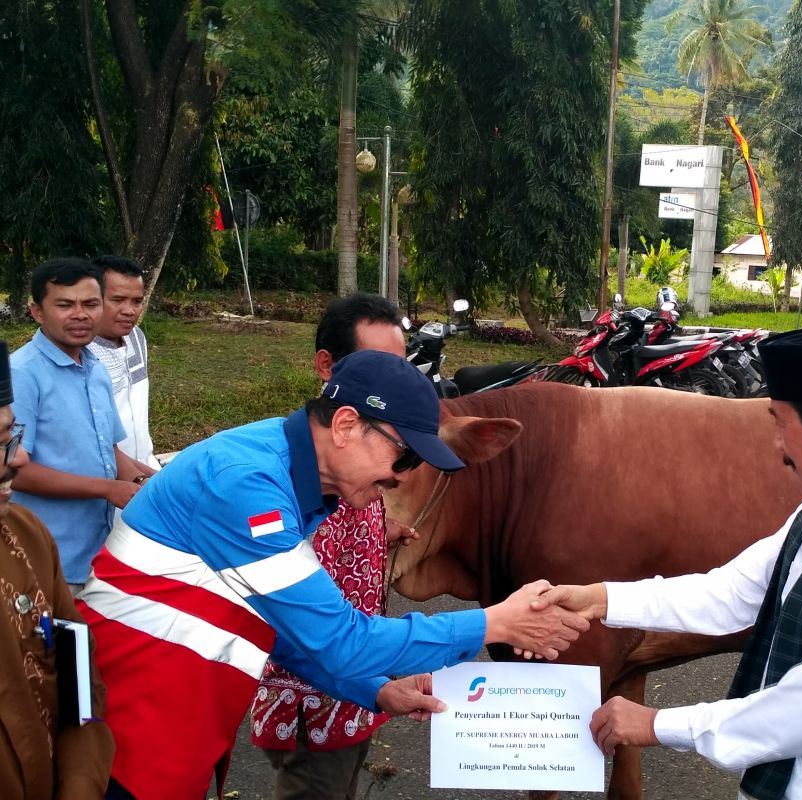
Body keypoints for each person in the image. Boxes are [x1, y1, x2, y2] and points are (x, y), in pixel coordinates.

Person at [76, 349, 588, 800]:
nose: (403, 476)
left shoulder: (281, 474)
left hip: (166, 724)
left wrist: (376, 691)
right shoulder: (248, 490)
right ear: (345, 425)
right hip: (123, 737)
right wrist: (494, 623)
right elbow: (342, 639)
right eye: (404, 454)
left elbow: (282, 627)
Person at [534, 324, 802, 800]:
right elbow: (730, 593)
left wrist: (656, 724)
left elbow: (801, 712)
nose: (777, 446)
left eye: (780, 424)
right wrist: (598, 599)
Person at [250, 293, 412, 799]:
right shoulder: (295, 479)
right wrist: (486, 625)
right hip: (315, 694)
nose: (395, 383)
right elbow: (306, 617)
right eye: (378, 366)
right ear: (326, 367)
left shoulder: (366, 448)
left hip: (356, 688)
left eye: (401, 367)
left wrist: (377, 531)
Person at [0, 341, 115, 799]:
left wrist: (80, 787)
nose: (21, 458)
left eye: (12, 435)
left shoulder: (27, 536)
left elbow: (81, 695)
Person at [11, 259, 150, 591]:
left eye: (90, 304)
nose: (81, 314)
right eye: (65, 305)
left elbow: (110, 451)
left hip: (97, 554)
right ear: (37, 311)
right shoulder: (21, 374)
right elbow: (14, 470)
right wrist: (107, 489)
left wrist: (156, 484)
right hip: (44, 559)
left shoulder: (95, 367)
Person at [86, 256, 160, 474]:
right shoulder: (80, 352)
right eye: (117, 300)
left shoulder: (136, 336)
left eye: (137, 301)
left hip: (144, 464)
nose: (130, 311)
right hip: (103, 477)